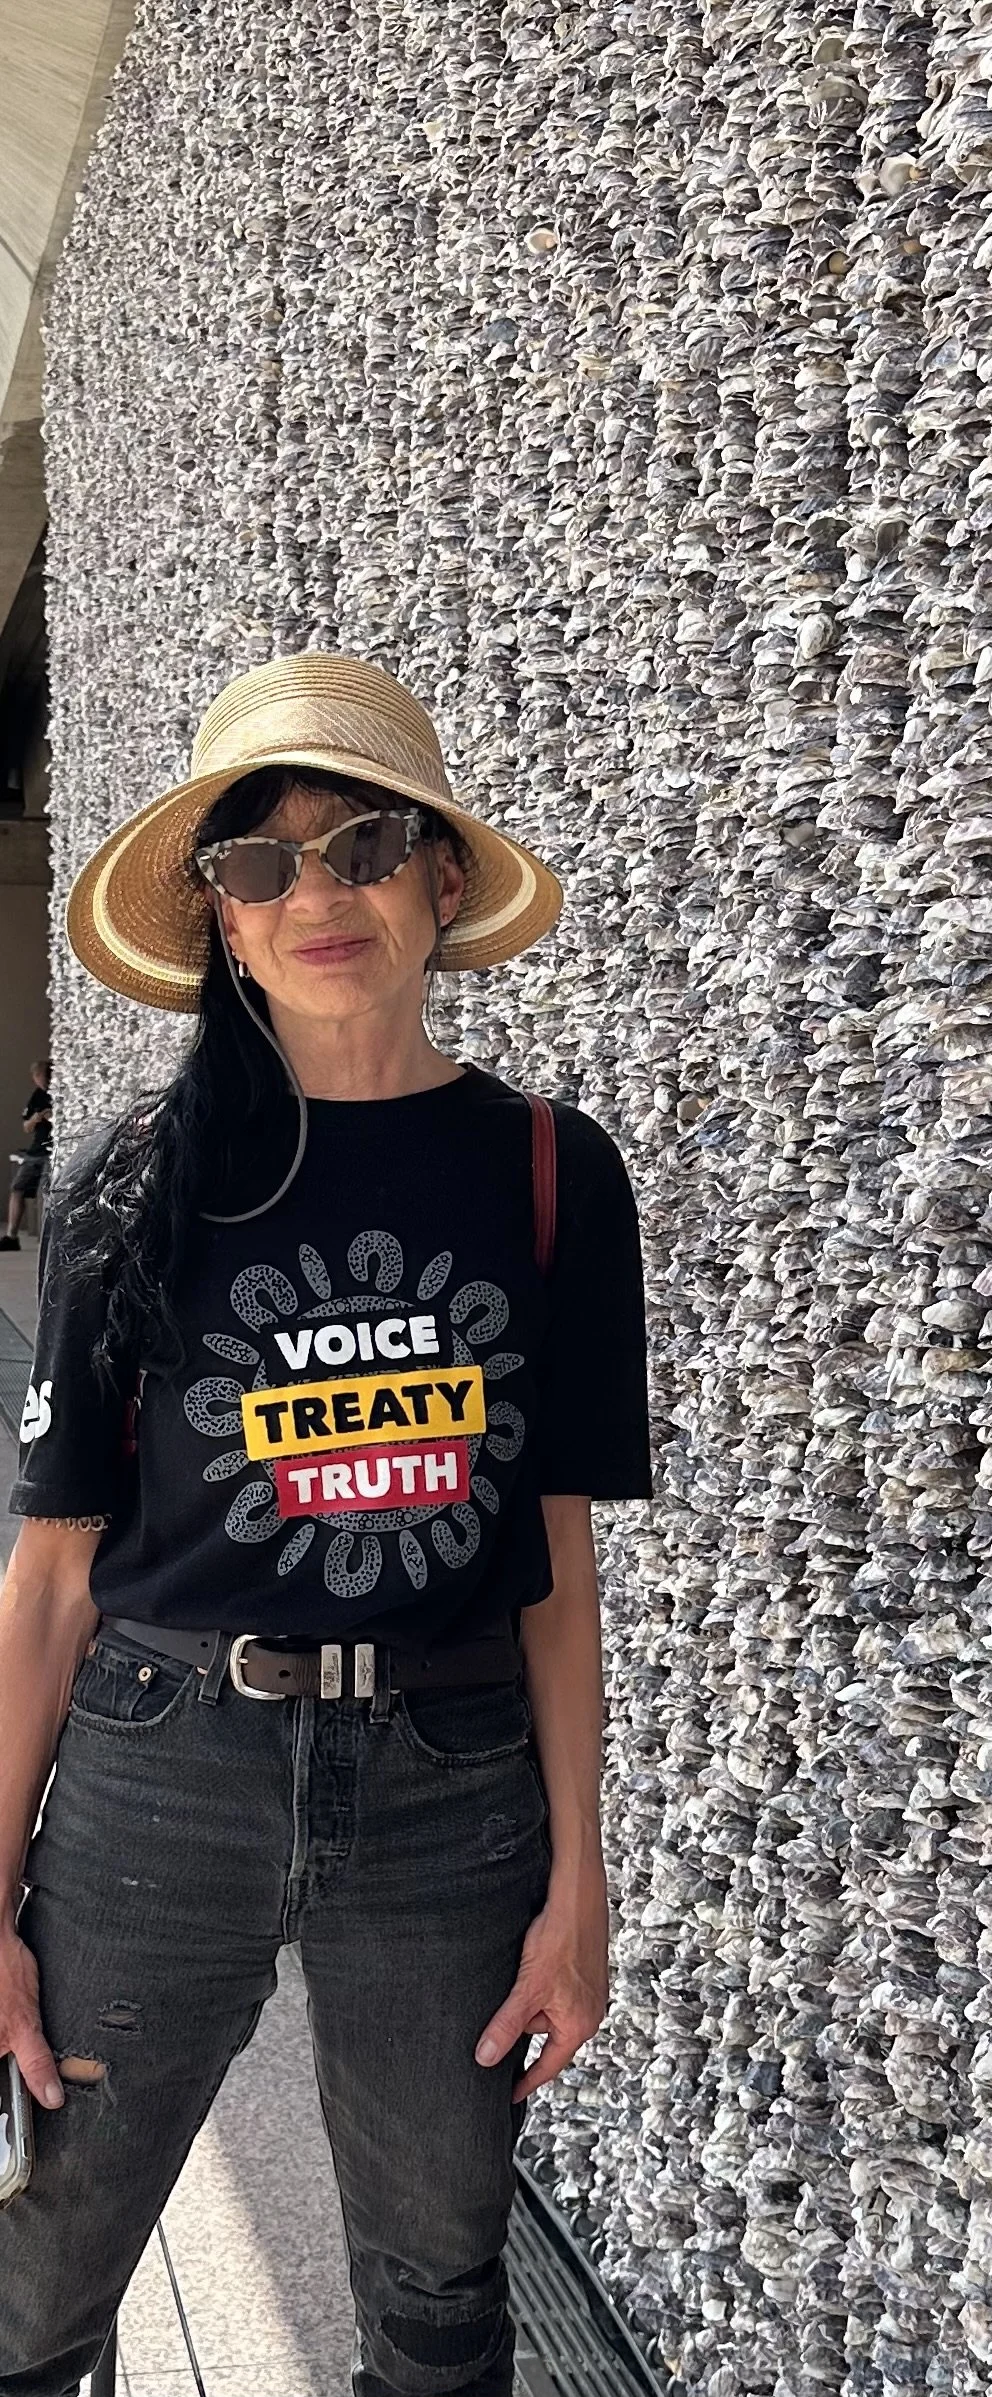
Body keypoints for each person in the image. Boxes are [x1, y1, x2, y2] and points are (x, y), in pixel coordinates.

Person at [0, 653, 654, 2395]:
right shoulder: (132, 1192)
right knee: (35, 2280)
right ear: (218, 918)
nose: (319, 891)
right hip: (162, 1769)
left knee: (440, 2306)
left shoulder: (547, 1171)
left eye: (362, 843)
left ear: (443, 880)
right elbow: (51, 1581)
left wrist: (578, 1879)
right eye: (263, 861)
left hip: (450, 1787)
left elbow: (555, 1564)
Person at [0, 1059, 52, 1250]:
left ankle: (49, 1237)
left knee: (47, 1192)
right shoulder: (37, 1096)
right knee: (17, 1188)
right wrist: (37, 1118)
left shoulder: (61, 1092)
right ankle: (11, 1236)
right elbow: (26, 1127)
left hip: (53, 1150)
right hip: (36, 1151)